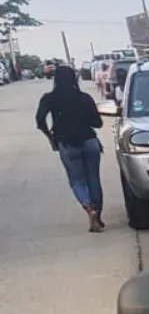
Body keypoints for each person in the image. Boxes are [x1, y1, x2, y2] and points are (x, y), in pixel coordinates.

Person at [36, 66, 106, 231]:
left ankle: (89, 209)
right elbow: (98, 123)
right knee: (93, 179)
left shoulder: (49, 98)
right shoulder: (84, 98)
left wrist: (50, 137)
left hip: (67, 144)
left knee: (77, 181)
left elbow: (40, 121)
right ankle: (98, 215)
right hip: (89, 141)